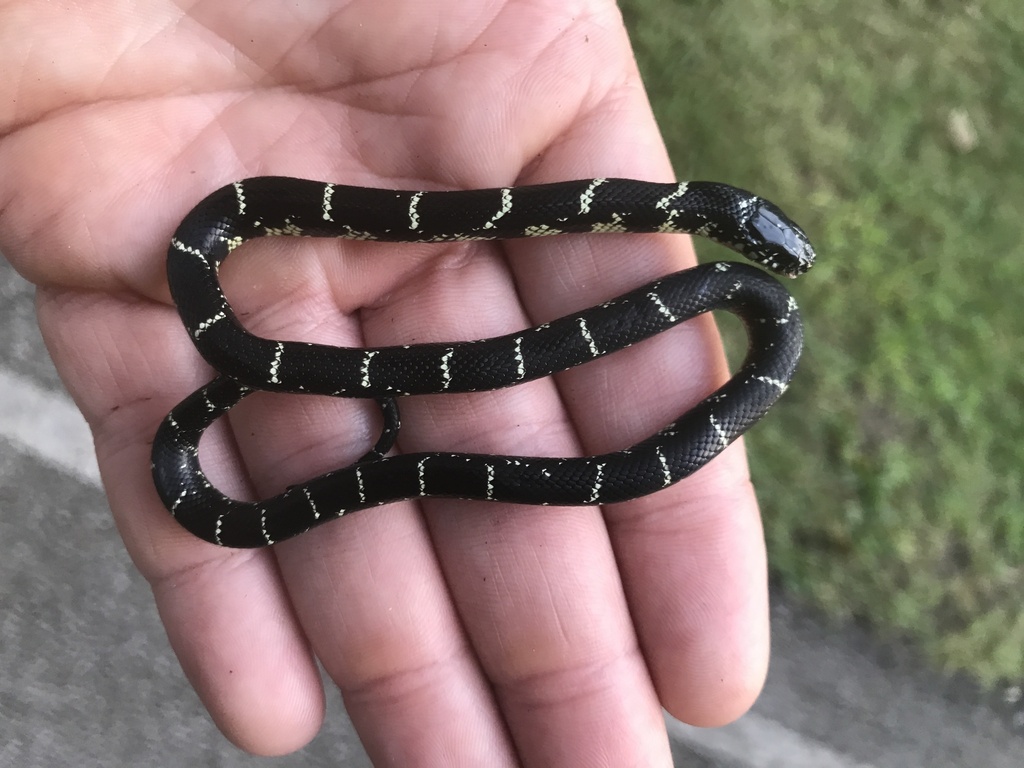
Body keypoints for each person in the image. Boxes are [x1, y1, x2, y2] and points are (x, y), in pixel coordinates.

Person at [0, 2, 770, 764]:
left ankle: (333, 427)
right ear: (727, 222)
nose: (777, 270)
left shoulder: (697, 248)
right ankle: (303, 408)